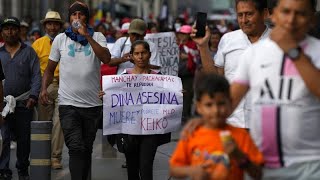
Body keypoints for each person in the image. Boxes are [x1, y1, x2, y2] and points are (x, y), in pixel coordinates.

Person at [184, 0, 320, 178]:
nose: (291, 20)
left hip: (307, 164)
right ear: (275, 14)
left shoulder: (316, 52)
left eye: (300, 13)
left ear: (311, 19)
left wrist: (293, 51)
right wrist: (208, 120)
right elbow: (232, 96)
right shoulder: (255, 52)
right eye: (286, 12)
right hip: (259, 159)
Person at [40, 1, 111, 180]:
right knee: (76, 147)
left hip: (92, 105)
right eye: (73, 15)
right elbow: (49, 68)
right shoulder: (60, 39)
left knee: (86, 149)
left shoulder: (99, 37)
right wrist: (43, 89)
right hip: (68, 105)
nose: (77, 18)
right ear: (69, 18)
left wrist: (87, 36)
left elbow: (106, 58)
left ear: (87, 17)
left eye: (81, 14)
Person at [170, 73, 263, 180]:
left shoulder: (240, 135)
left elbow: (259, 174)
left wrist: (240, 156)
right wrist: (192, 170)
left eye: (221, 103)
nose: (216, 111)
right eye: (209, 105)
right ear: (199, 107)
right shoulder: (191, 134)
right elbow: (174, 169)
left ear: (230, 103)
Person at [194, 0, 271, 129]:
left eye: (249, 14)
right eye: (240, 15)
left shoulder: (279, 42)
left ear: (265, 13)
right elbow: (215, 79)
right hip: (232, 122)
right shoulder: (228, 40)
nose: (244, 20)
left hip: (267, 126)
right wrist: (202, 46)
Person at [103, 40, 170, 180]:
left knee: (146, 169)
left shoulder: (159, 77)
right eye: (137, 53)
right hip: (129, 132)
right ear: (131, 56)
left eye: (143, 53)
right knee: (132, 170)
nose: (140, 57)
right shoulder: (123, 77)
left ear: (149, 55)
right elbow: (115, 103)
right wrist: (105, 96)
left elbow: (168, 101)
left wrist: (177, 94)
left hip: (150, 131)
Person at [0, 17, 41, 180]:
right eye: (6, 29)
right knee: (4, 137)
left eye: (13, 28)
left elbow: (37, 76)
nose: (10, 31)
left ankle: (23, 168)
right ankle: (3, 169)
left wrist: (33, 96)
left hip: (24, 102)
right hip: (2, 104)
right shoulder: (0, 53)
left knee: (24, 139)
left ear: (19, 31)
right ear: (2, 32)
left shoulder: (29, 51)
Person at [32, 10, 64, 170]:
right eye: (49, 23)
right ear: (45, 26)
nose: (52, 27)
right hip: (45, 86)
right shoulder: (37, 44)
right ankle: (43, 155)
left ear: (60, 26)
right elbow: (33, 69)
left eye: (55, 23)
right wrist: (36, 90)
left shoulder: (66, 41)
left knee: (59, 122)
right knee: (44, 123)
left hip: (64, 86)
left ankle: (55, 157)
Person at [176, 25, 199, 122]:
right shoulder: (176, 44)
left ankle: (186, 113)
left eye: (184, 34)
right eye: (181, 34)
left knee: (188, 94)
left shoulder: (193, 45)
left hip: (189, 74)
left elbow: (196, 58)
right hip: (177, 74)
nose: (182, 36)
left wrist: (187, 56)